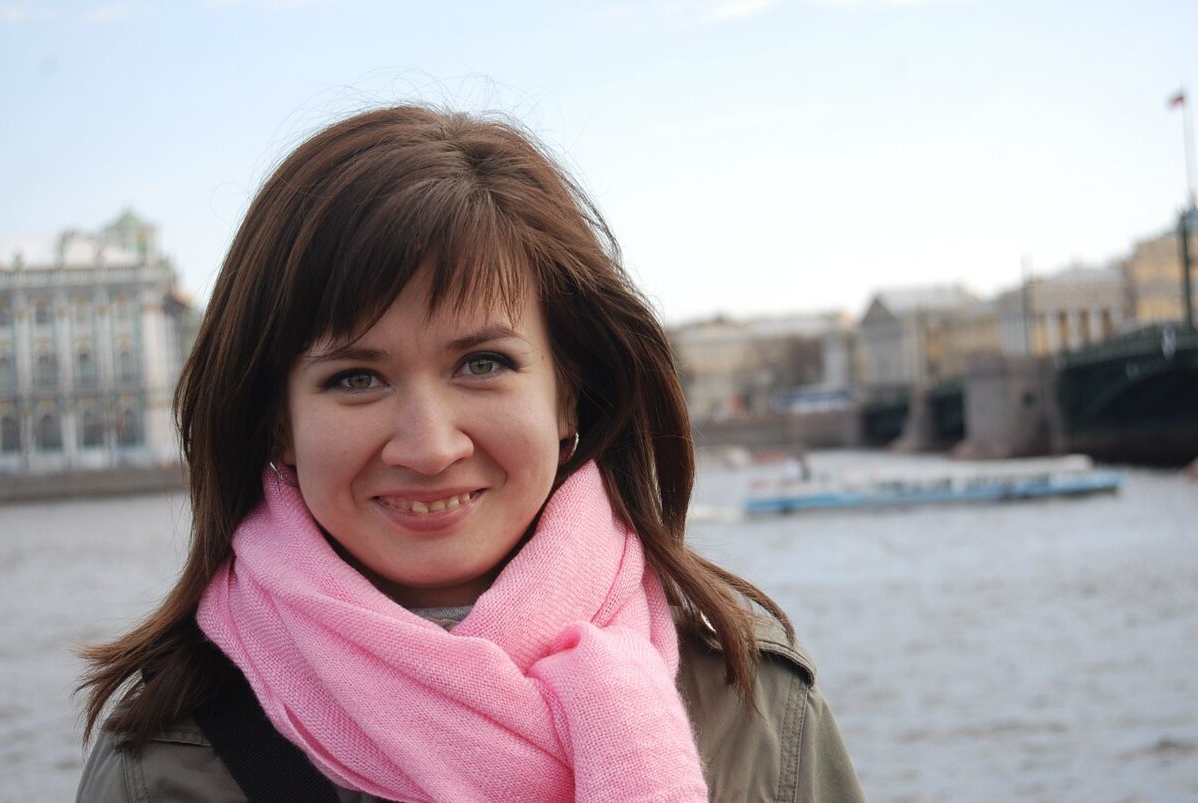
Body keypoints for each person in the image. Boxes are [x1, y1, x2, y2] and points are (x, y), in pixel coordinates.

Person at [76, 106, 865, 802]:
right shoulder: (162, 764)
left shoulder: (758, 710)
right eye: (356, 378)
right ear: (278, 422)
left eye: (482, 363)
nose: (429, 447)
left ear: (569, 394)